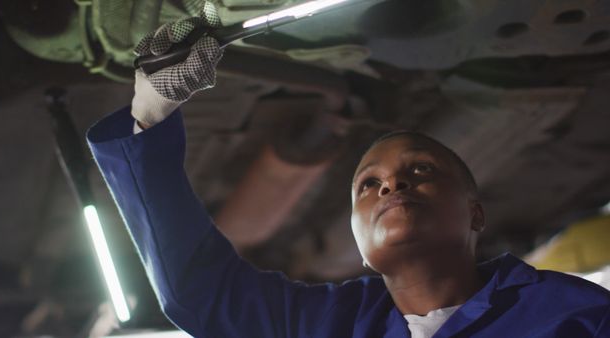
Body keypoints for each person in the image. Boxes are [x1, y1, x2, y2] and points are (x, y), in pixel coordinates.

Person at [87, 4, 610, 337]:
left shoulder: (575, 315)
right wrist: (149, 115)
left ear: (476, 213)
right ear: (358, 242)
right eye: (367, 185)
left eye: (422, 170)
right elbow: (200, 294)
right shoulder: (322, 324)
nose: (391, 183)